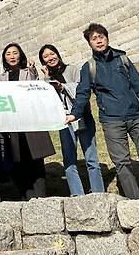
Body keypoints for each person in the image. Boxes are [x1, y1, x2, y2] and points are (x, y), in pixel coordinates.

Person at [66, 23, 139, 205]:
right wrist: (75, 114)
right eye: (94, 38)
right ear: (89, 43)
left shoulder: (123, 59)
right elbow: (83, 93)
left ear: (107, 37)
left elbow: (138, 85)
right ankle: (135, 204)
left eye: (101, 37)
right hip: (112, 120)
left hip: (136, 116)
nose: (98, 41)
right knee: (122, 163)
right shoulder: (88, 67)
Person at [39, 44, 104, 196]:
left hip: (82, 115)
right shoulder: (47, 77)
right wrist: (47, 78)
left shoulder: (73, 69)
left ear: (58, 54)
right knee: (69, 160)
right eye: (45, 57)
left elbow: (82, 89)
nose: (50, 58)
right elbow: (48, 100)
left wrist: (63, 87)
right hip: (63, 120)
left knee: (91, 158)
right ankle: (77, 194)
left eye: (52, 54)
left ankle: (99, 193)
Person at [0, 43, 55, 200]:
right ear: (4, 58)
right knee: (18, 161)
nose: (12, 56)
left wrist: (34, 70)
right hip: (13, 124)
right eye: (8, 53)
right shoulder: (1, 78)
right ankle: (25, 197)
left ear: (20, 55)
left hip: (30, 121)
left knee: (35, 160)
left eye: (15, 53)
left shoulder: (28, 72)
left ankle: (41, 196)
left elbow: (36, 88)